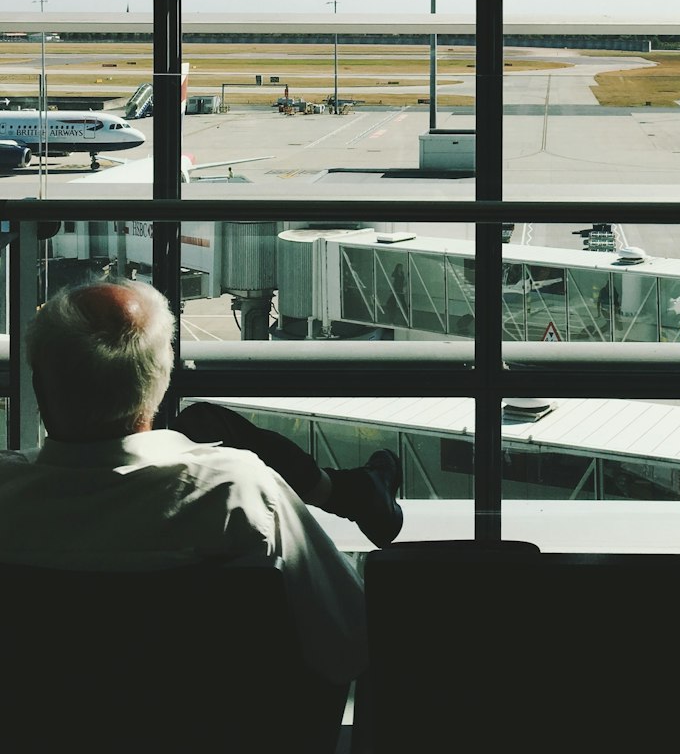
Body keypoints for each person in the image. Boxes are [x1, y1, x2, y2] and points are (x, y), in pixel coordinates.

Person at [0, 277, 403, 683]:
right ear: (161, 379)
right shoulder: (237, 493)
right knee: (206, 422)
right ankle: (356, 490)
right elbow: (349, 640)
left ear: (38, 385)